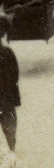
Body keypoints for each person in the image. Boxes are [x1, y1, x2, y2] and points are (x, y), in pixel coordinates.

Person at [0, 18, 19, 153]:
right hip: (6, 97)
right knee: (9, 124)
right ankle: (11, 149)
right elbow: (14, 75)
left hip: (5, 95)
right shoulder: (7, 53)